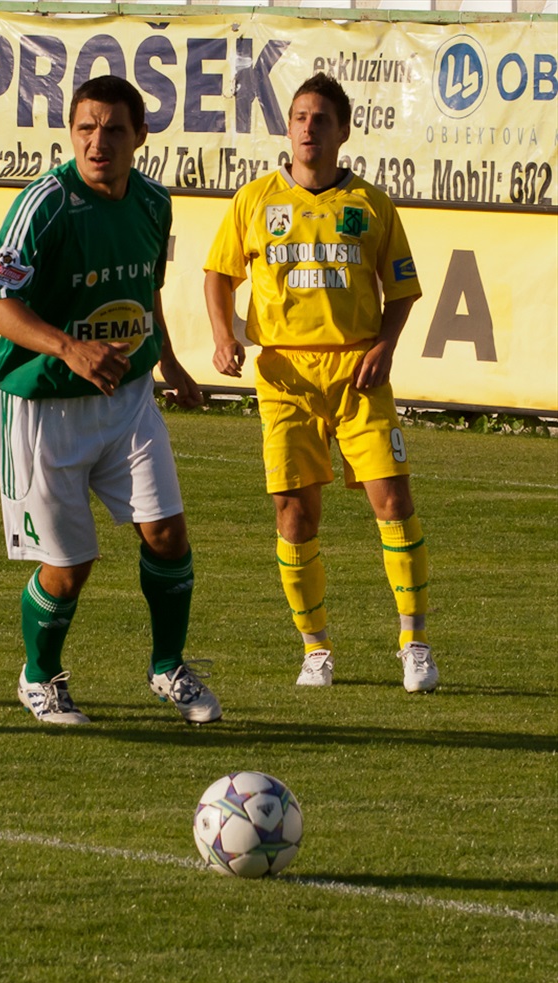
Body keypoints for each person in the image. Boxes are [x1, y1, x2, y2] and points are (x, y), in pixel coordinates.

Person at [0, 75, 222, 725]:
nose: (97, 141)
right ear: (71, 133)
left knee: (167, 534)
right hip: (42, 405)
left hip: (128, 396)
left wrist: (167, 360)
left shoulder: (153, 202)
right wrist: (69, 349)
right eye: (85, 128)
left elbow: (145, 289)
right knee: (70, 566)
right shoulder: (46, 204)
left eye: (113, 129)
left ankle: (168, 667)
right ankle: (39, 677)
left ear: (141, 136)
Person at [204, 72, 438, 693]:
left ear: (344, 131)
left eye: (321, 119)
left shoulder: (371, 204)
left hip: (357, 372)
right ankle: (316, 650)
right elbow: (218, 275)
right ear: (288, 128)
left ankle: (414, 643)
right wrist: (224, 336)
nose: (309, 128)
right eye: (300, 118)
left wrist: (385, 344)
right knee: (294, 514)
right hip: (284, 375)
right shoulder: (254, 200)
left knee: (393, 501)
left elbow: (403, 288)